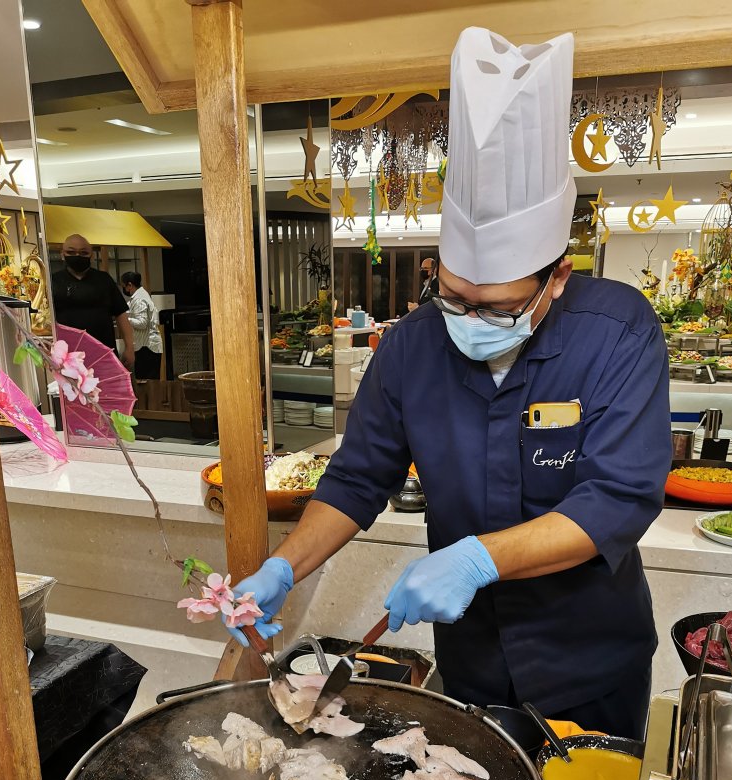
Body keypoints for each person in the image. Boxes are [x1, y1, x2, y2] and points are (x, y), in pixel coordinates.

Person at [226, 29, 670, 741]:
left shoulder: (618, 331)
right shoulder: (410, 346)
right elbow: (357, 479)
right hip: (472, 660)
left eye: (497, 308)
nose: (468, 321)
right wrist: (284, 566)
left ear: (557, 277)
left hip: (589, 663)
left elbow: (617, 499)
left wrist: (476, 558)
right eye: (454, 297)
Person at [51, 234, 134, 368]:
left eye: (83, 253)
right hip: (67, 357)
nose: (77, 256)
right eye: (71, 252)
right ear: (62, 254)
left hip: (104, 353)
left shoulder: (104, 280)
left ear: (92, 256)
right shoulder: (53, 281)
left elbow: (121, 314)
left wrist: (129, 347)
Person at [121, 271, 163, 379]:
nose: (124, 289)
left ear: (130, 285)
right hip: (145, 346)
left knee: (146, 381)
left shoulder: (139, 298)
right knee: (146, 380)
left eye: (124, 286)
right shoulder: (140, 295)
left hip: (147, 347)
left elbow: (142, 323)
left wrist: (125, 319)